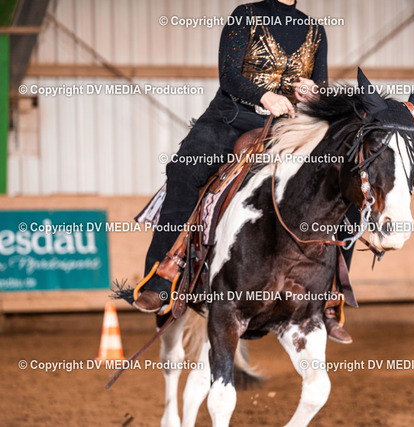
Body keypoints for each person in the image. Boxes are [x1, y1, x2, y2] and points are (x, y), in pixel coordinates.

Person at [133, 0, 354, 344]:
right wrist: (265, 96)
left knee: (340, 184)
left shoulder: (315, 31)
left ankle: (330, 298)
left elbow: (319, 86)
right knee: (185, 172)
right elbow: (229, 76)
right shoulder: (246, 16)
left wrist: (313, 93)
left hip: (289, 127)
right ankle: (163, 276)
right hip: (232, 118)